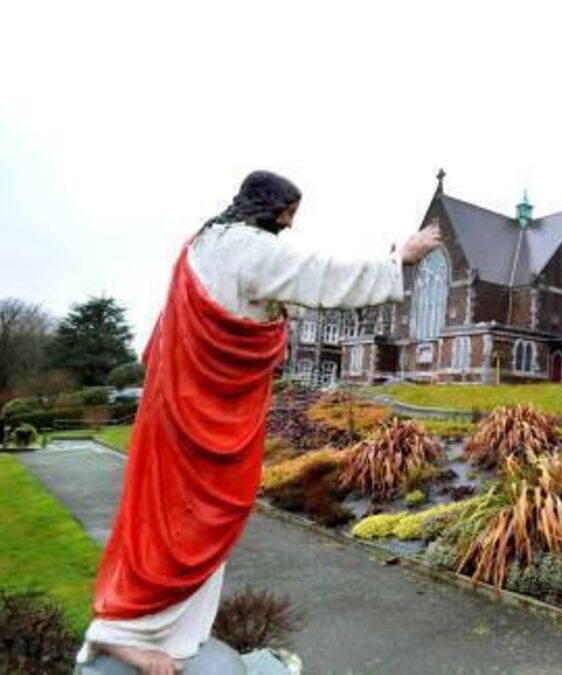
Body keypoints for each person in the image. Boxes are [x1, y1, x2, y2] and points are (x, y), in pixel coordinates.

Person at [76, 171, 441, 674]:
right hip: (204, 414)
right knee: (193, 520)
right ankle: (125, 633)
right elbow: (321, 274)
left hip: (176, 401)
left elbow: (178, 324)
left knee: (170, 514)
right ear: (271, 207)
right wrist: (399, 259)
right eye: (289, 214)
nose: (290, 225)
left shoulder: (201, 244)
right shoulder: (249, 249)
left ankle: (166, 633)